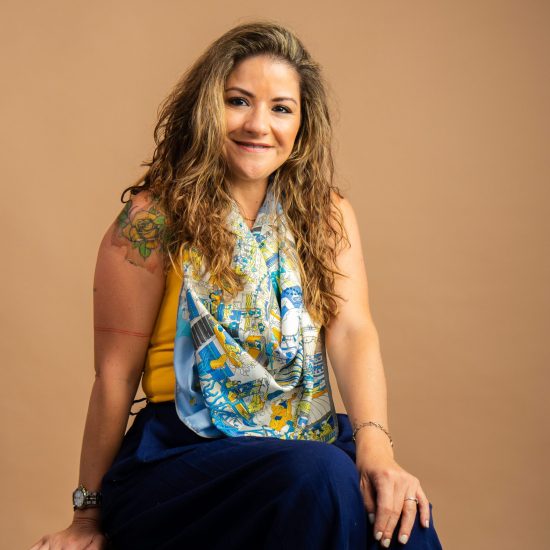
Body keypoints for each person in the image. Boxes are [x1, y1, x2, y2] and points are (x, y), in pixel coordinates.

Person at [30, 21, 443, 550]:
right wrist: (86, 518)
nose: (258, 125)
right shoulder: (152, 218)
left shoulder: (327, 215)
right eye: (238, 101)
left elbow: (352, 331)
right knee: (317, 478)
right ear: (206, 108)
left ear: (302, 126)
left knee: (402, 516)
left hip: (303, 435)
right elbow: (115, 373)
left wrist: (378, 452)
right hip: (181, 451)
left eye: (281, 108)